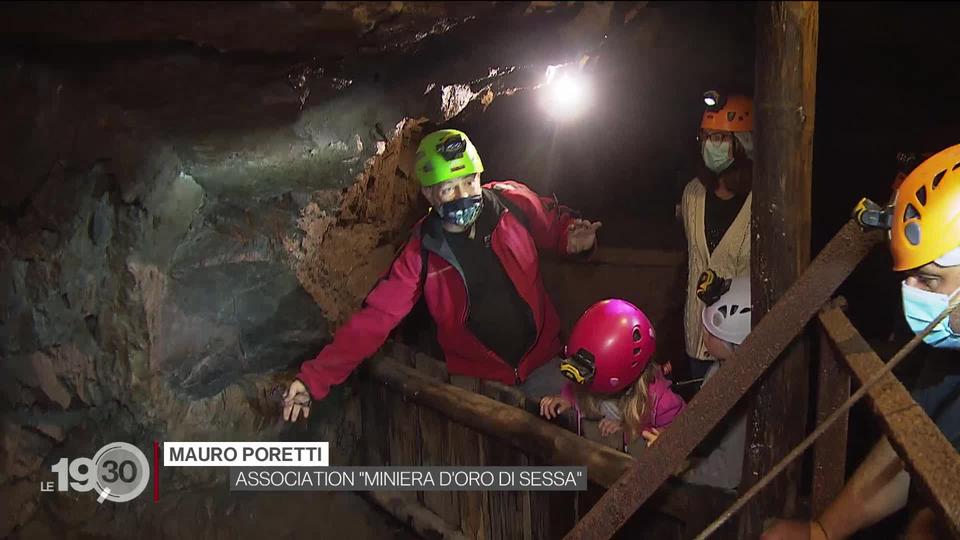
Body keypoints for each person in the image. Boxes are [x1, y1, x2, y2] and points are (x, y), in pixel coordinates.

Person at [282, 129, 602, 422]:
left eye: (469, 181)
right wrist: (312, 380)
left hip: (544, 364)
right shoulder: (422, 251)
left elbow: (552, 228)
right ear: (430, 194)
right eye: (449, 188)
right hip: (480, 385)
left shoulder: (513, 202)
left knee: (572, 448)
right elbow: (374, 321)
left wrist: (572, 240)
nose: (463, 194)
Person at [762, 144, 960, 540]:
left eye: (930, 278)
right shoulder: (950, 355)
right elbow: (913, 448)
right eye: (908, 276)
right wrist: (822, 531)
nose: (911, 291)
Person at [538, 299, 685, 451]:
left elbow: (684, 429)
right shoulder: (592, 380)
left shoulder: (660, 400)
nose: (584, 384)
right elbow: (580, 389)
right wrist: (568, 399)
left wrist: (630, 430)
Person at [679, 93, 754, 384]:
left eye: (722, 137)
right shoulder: (693, 193)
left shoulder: (761, 201)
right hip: (697, 335)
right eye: (707, 136)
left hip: (737, 340)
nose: (712, 145)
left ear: (743, 143)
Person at [677, 273, 750, 490]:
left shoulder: (743, 395)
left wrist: (682, 473)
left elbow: (728, 472)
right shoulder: (722, 368)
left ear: (735, 344)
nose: (704, 337)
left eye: (710, 334)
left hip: (721, 488)